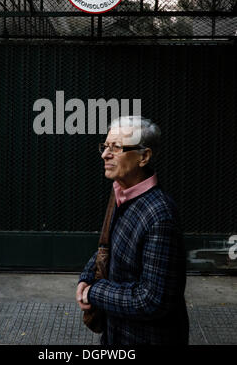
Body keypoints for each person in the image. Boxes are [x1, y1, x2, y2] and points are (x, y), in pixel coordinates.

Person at [76, 116, 189, 345]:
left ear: (144, 157)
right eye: (105, 146)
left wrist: (94, 292)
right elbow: (108, 245)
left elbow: (152, 300)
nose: (105, 155)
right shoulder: (120, 191)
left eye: (116, 148)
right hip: (116, 333)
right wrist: (87, 277)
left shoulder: (160, 216)